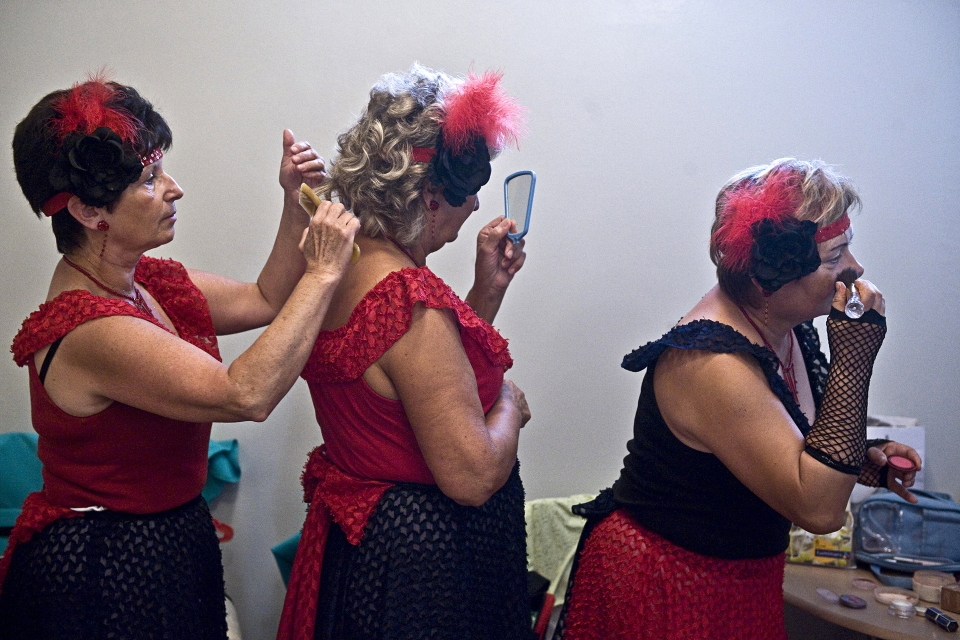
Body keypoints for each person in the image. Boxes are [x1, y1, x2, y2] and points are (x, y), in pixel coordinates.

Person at [0, 76, 359, 639]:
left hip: (166, 543)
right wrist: (325, 272)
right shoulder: (91, 328)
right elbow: (247, 393)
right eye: (150, 179)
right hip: (105, 571)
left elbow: (263, 298)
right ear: (89, 212)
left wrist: (294, 204)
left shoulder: (142, 284)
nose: (174, 188)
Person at [556, 159, 922, 639]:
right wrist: (854, 357)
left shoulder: (786, 332)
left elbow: (779, 446)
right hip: (668, 582)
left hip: (739, 578)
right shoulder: (712, 363)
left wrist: (862, 460)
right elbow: (818, 511)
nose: (854, 268)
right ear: (767, 279)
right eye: (834, 257)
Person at [277, 64, 533, 640]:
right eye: (467, 194)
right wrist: (510, 407)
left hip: (366, 557)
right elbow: (469, 474)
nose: (472, 209)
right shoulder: (412, 304)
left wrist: (485, 293)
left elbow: (405, 391)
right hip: (425, 575)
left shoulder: (333, 264)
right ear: (432, 195)